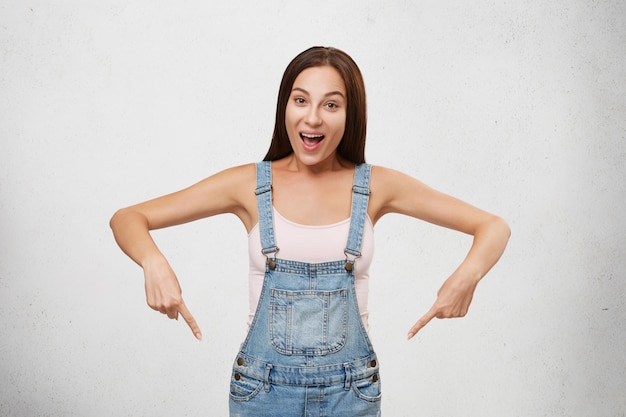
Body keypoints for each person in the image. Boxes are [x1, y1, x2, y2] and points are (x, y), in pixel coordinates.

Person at [110, 46, 510, 416]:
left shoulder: (377, 187)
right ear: (285, 106)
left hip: (349, 395)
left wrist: (465, 277)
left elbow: (492, 227)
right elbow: (128, 217)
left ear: (350, 114)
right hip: (262, 393)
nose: (313, 117)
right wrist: (153, 261)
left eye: (330, 104)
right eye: (300, 100)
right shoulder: (248, 184)